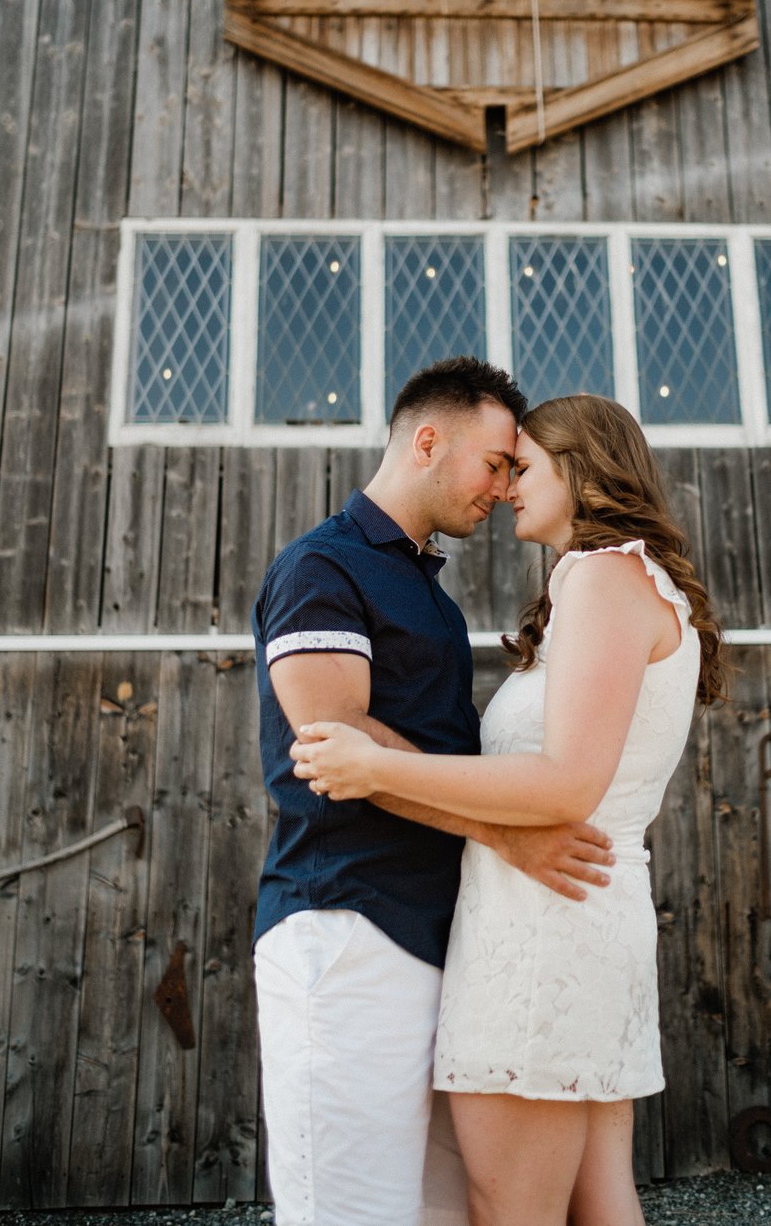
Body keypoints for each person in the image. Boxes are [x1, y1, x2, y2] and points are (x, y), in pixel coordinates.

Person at [292, 394, 727, 1226]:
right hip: (581, 913)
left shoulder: (604, 575)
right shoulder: (620, 584)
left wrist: (374, 763)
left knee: (511, 1207)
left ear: (583, 469)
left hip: (543, 932)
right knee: (597, 1200)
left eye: (521, 467)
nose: (504, 489)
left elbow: (568, 785)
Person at [251, 360, 617, 1226]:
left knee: (439, 1212)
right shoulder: (322, 566)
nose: (504, 485)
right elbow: (336, 740)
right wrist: (506, 836)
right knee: (351, 1212)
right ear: (427, 442)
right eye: (497, 462)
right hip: (346, 927)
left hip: (436, 936)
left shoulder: (426, 589)